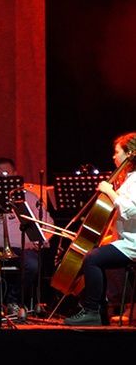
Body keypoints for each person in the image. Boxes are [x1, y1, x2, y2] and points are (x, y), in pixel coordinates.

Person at [63, 132, 136, 325]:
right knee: (97, 256)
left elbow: (130, 210)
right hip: (126, 239)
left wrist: (110, 191)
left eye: (117, 152)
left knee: (92, 258)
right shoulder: (128, 178)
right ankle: (100, 312)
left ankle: (92, 311)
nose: (114, 156)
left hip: (133, 243)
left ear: (130, 154)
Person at [0, 156, 51, 316]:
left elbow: (48, 224)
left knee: (32, 265)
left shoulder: (29, 197)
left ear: (15, 174)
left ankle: (13, 300)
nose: (2, 177)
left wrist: (40, 240)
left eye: (6, 173)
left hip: (23, 248)